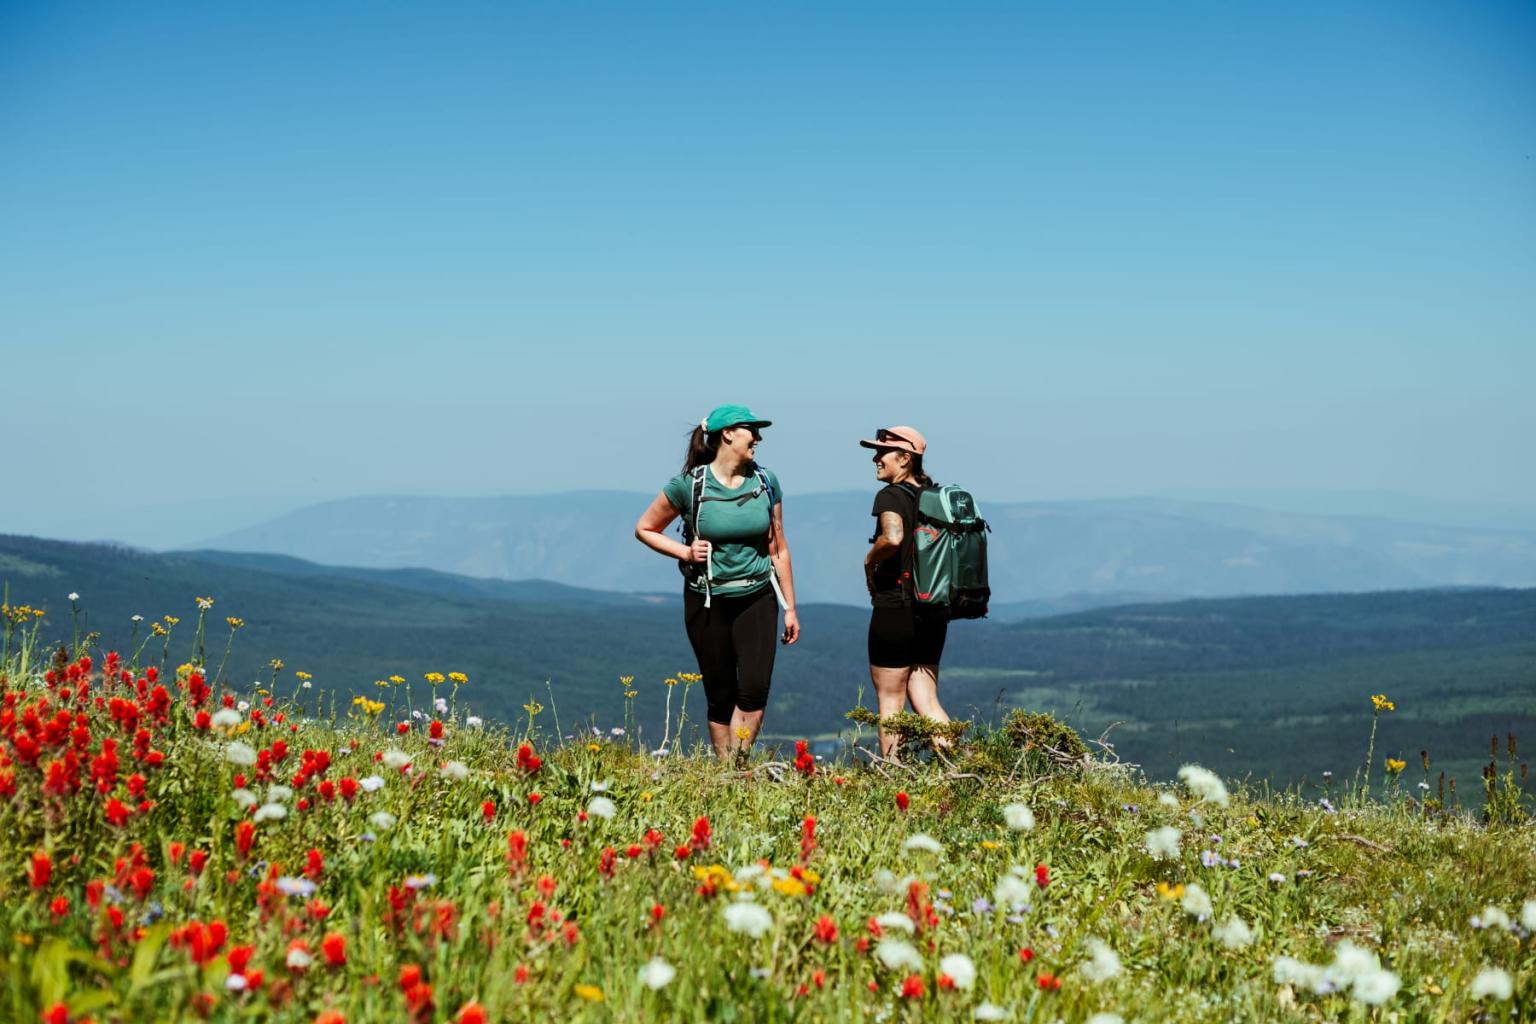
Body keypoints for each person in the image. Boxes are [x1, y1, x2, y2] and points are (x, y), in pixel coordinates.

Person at [635, 404, 800, 758]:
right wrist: (686, 553)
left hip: (757, 595)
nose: (758, 437)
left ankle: (737, 769)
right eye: (750, 430)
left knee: (754, 689)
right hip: (706, 599)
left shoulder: (766, 483)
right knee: (719, 691)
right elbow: (645, 529)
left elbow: (779, 548)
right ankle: (725, 773)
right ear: (727, 434)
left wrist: (790, 608)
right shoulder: (689, 486)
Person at [859, 425, 952, 758]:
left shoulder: (891, 496)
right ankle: (959, 768)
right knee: (926, 698)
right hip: (934, 608)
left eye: (882, 452)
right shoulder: (936, 498)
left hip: (895, 606)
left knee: (890, 700)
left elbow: (893, 537)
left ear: (905, 457)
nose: (875, 458)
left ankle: (893, 775)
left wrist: (869, 561)